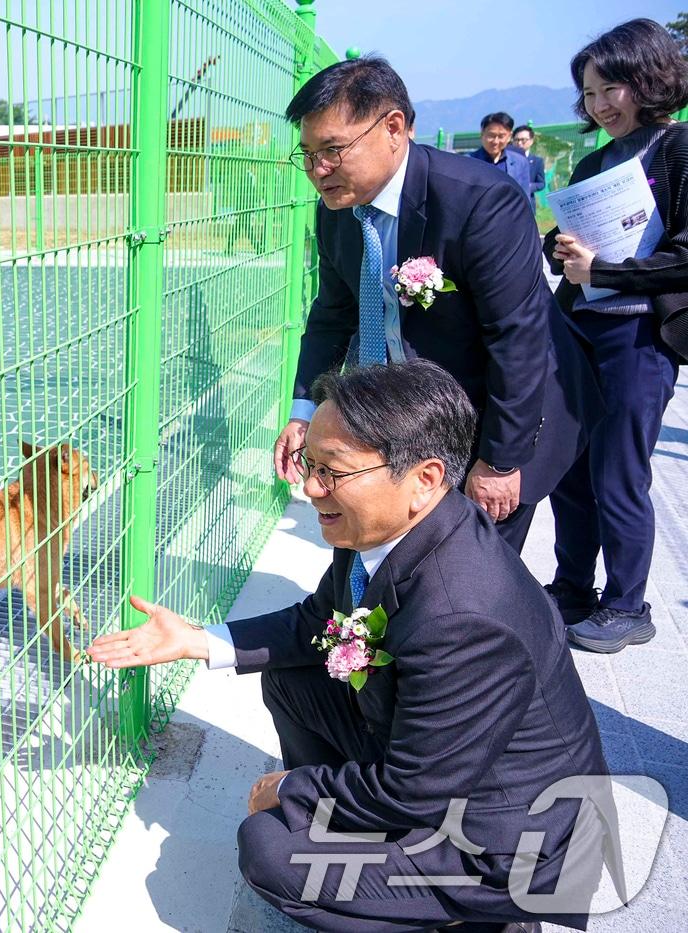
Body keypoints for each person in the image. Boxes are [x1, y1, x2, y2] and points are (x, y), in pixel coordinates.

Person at [90, 360, 610, 933]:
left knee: (269, 852)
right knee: (294, 679)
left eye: (332, 471)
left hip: (501, 845)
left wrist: (292, 789)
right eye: (309, 465)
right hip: (446, 775)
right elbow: (317, 622)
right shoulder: (389, 527)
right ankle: (362, 843)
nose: (311, 488)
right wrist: (195, 640)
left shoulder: (463, 617)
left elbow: (414, 790)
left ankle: (469, 919)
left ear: (426, 478)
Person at [271, 57, 601, 553]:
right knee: (395, 562)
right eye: (309, 153)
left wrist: (500, 462)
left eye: (333, 150)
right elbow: (332, 315)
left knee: (473, 575)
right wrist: (303, 410)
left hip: (499, 415)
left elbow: (517, 339)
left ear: (394, 128)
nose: (318, 171)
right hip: (413, 418)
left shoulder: (480, 202)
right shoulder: (338, 211)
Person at [542, 18, 688, 652]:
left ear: (647, 79)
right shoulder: (597, 159)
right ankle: (572, 586)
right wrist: (562, 248)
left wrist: (602, 269)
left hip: (639, 340)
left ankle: (629, 604)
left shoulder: (678, 149)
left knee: (618, 472)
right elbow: (572, 252)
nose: (600, 106)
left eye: (611, 89)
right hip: (580, 328)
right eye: (590, 94)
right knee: (570, 469)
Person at [468, 112, 534, 200]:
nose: (495, 141)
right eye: (491, 135)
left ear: (509, 136)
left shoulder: (520, 163)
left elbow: (525, 198)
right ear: (482, 134)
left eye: (501, 136)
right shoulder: (467, 161)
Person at [511, 125, 546, 203]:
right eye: (516, 140)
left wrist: (527, 187)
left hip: (528, 202)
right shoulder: (506, 159)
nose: (519, 143)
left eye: (523, 140)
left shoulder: (537, 161)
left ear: (531, 141)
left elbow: (541, 183)